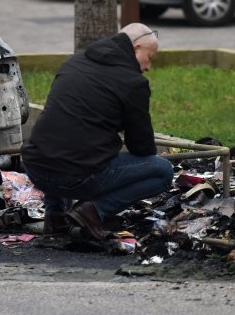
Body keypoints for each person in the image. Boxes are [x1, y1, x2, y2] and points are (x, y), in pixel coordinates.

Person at [21, 23, 174, 240]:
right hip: (76, 176)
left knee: (59, 142)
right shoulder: (133, 83)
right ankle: (93, 211)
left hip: (35, 167)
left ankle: (55, 218)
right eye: (150, 57)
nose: (149, 66)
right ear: (137, 47)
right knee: (163, 171)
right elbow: (142, 147)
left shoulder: (74, 62)